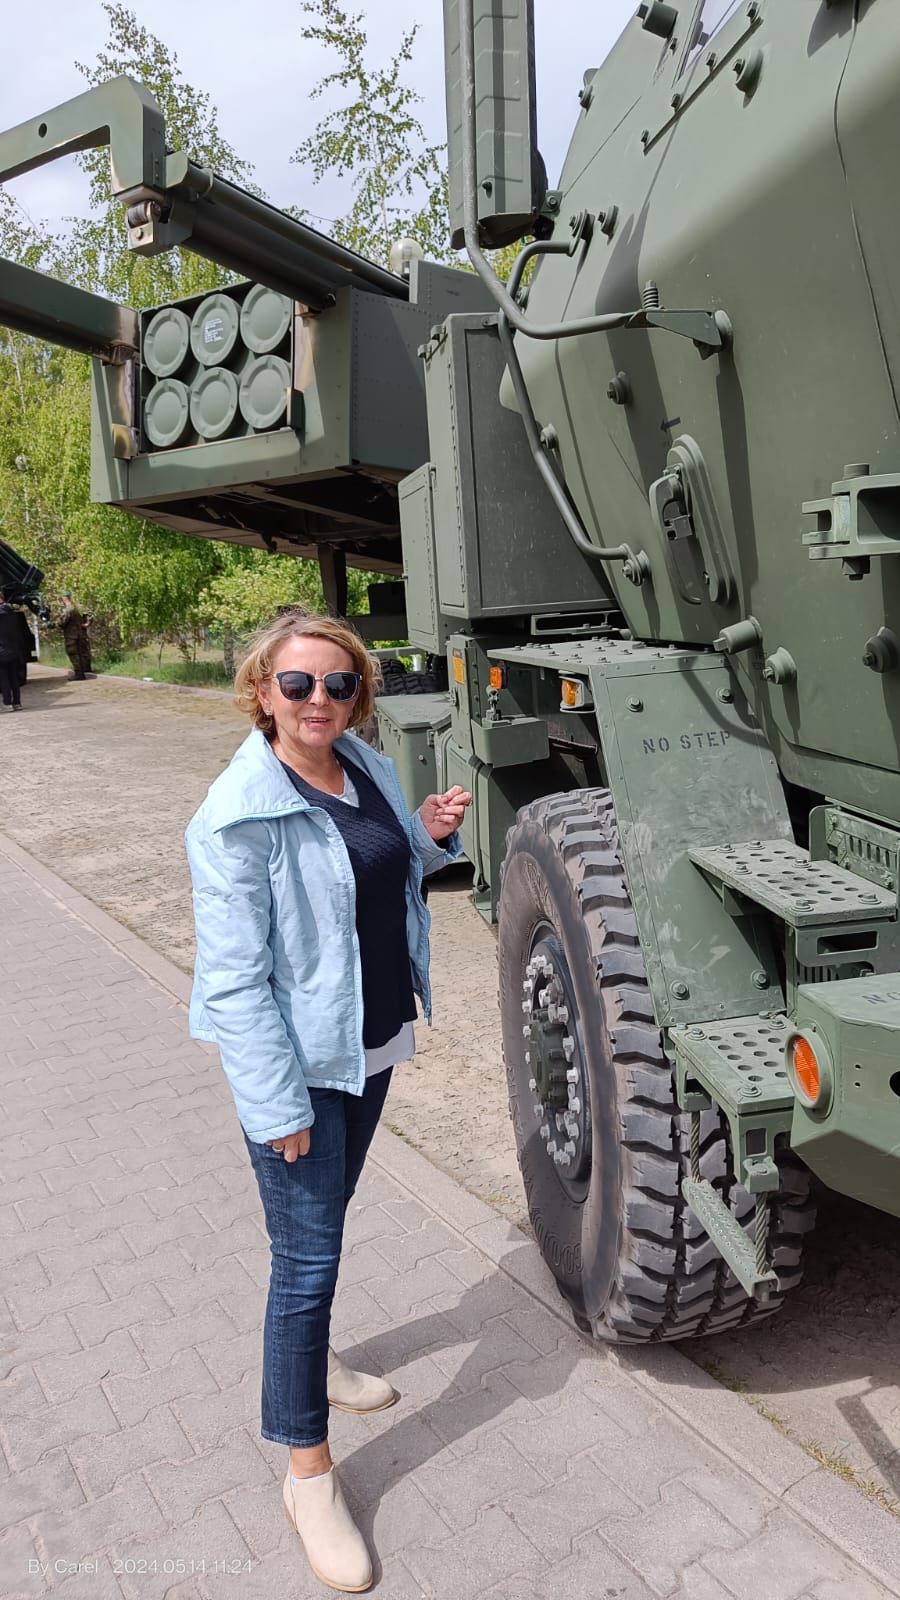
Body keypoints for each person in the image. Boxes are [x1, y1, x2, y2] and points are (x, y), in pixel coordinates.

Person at [185, 612, 471, 1593]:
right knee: (305, 1261)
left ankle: (317, 1363)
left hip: (372, 1043)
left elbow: (376, 874)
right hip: (300, 1072)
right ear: (261, 691)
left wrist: (424, 836)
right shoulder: (237, 815)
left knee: (323, 1230)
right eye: (298, 684)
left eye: (339, 683)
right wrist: (276, 1108)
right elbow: (234, 984)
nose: (320, 701)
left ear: (359, 696)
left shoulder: (363, 767)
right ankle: (307, 1473)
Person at [0, 590, 27, 711]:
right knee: (14, 678)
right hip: (14, 650)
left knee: (3, 678)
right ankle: (17, 702)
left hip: (1, 651)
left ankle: (7, 703)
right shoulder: (13, 614)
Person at [59, 593, 92, 680]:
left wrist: (57, 624)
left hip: (71, 636)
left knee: (73, 654)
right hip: (80, 635)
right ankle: (84, 671)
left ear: (65, 599)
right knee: (80, 653)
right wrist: (87, 624)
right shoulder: (78, 608)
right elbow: (89, 616)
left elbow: (62, 622)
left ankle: (79, 674)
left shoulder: (68, 609)